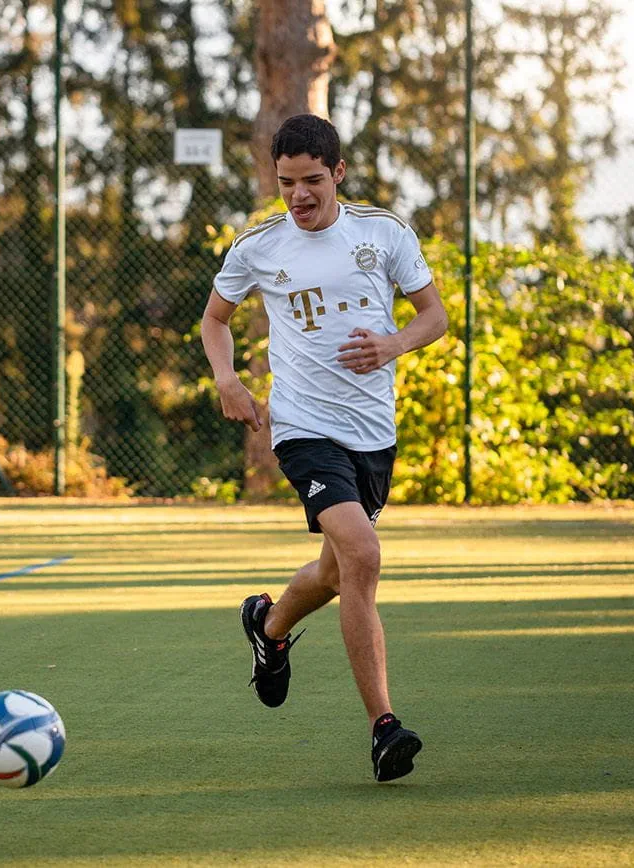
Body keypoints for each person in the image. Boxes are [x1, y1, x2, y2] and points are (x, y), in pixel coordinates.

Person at [201, 114, 447, 782]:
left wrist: (393, 344)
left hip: (373, 434)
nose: (299, 196)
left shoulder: (383, 233)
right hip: (303, 428)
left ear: (338, 173)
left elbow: (435, 316)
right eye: (287, 183)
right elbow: (214, 319)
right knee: (363, 556)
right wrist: (227, 378)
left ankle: (269, 628)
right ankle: (383, 729)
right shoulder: (260, 246)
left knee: (338, 573)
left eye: (312, 180)